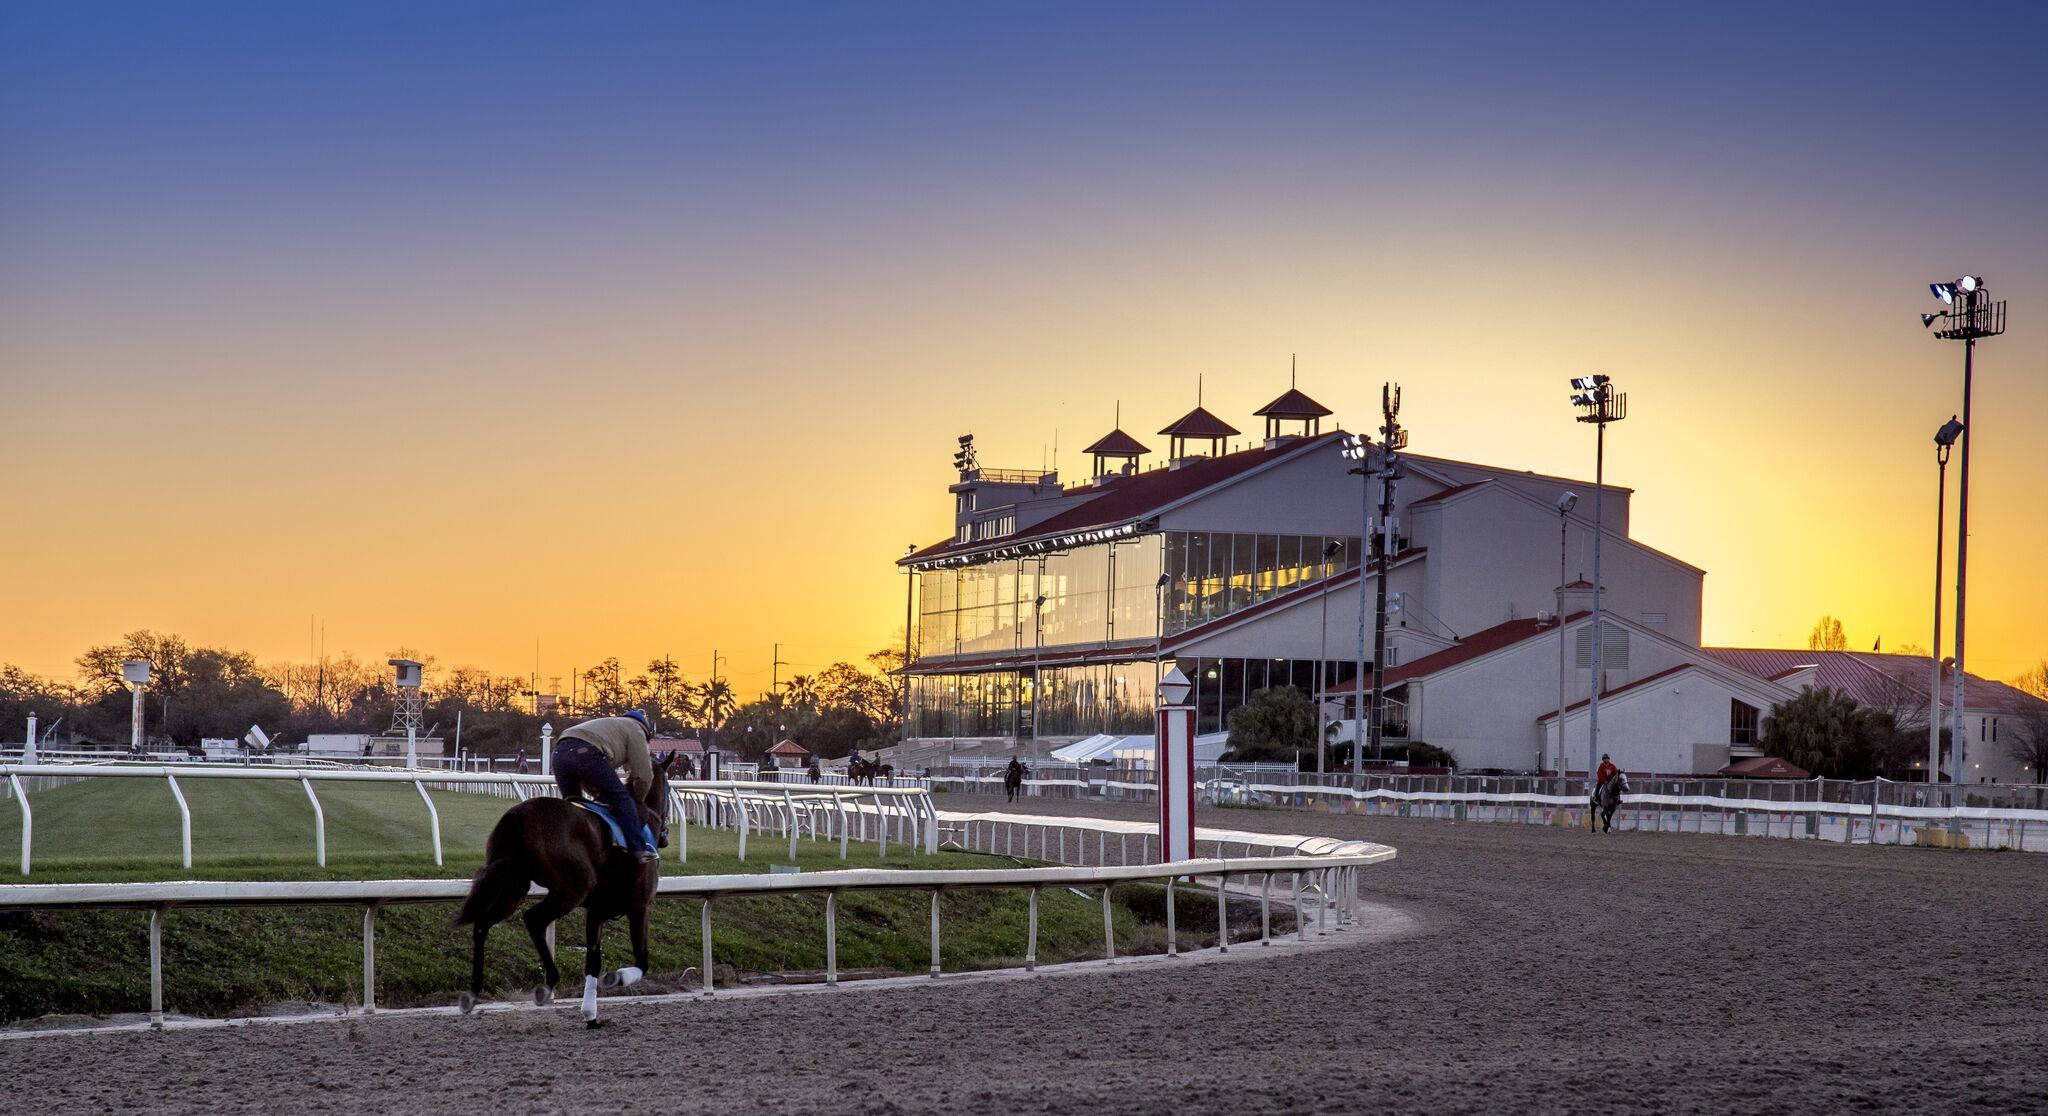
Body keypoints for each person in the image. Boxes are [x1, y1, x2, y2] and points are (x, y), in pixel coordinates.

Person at [554, 710, 659, 864]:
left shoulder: (613, 727)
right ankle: (639, 850)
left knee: (573, 807)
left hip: (559, 753)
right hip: (586, 752)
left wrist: (601, 796)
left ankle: (565, 851)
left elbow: (593, 779)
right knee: (622, 797)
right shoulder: (637, 729)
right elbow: (643, 776)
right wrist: (636, 800)